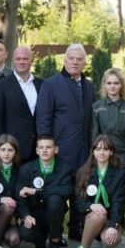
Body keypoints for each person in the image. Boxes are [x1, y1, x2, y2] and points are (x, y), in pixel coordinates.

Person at [35, 43, 95, 173]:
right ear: (65, 61)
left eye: (79, 59)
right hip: (61, 150)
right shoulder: (50, 85)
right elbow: (43, 119)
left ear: (84, 63)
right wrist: (47, 148)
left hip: (85, 151)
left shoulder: (90, 87)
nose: (75, 62)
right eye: (71, 58)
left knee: (82, 190)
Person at [17, 135, 75, 248]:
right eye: (41, 147)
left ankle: (54, 245)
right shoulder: (26, 169)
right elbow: (20, 198)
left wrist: (37, 192)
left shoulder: (65, 168)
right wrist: (25, 216)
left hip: (54, 212)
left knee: (55, 200)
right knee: (26, 233)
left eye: (48, 147)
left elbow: (67, 190)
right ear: (37, 151)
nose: (44, 150)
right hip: (35, 212)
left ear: (56, 150)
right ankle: (40, 242)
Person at [71, 135, 125, 248]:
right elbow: (78, 202)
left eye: (105, 149)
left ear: (111, 152)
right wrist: (91, 206)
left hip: (111, 218)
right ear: (93, 151)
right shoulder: (83, 172)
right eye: (98, 149)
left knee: (110, 240)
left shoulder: (119, 174)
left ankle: (107, 244)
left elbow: (119, 203)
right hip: (90, 218)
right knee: (97, 215)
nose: (101, 152)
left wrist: (113, 226)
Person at [0, 45, 43, 162]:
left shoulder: (41, 84)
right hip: (13, 149)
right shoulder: (1, 85)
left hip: (38, 149)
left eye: (25, 59)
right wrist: (1, 148)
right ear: (12, 61)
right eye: (18, 59)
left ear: (31, 61)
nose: (22, 62)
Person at [91, 68, 125, 168]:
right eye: (109, 83)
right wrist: (93, 154)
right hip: (102, 155)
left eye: (116, 83)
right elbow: (94, 133)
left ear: (121, 85)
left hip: (123, 157)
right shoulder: (97, 107)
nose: (112, 86)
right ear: (104, 84)